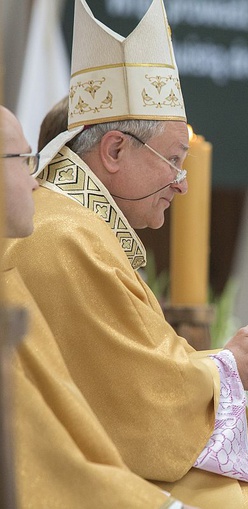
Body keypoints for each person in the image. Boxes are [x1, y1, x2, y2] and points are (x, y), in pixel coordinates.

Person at [5, 1, 248, 507]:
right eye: (173, 161)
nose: (182, 183)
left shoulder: (77, 226)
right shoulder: (67, 238)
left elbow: (124, 376)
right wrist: (229, 366)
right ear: (114, 152)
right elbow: (134, 409)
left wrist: (222, 362)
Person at [2, 105, 198, 508]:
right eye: (24, 161)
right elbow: (45, 446)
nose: (38, 182)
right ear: (113, 152)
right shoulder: (67, 237)